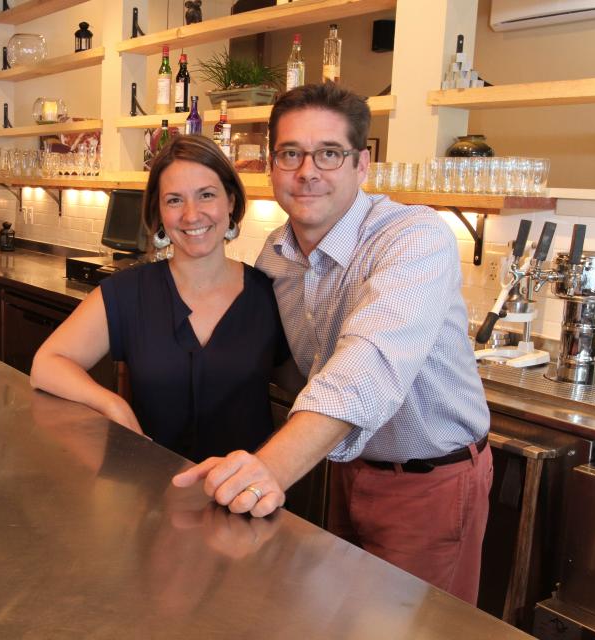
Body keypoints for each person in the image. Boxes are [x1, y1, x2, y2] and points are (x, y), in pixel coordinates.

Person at [172, 83, 493, 605]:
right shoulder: (275, 256)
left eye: (329, 153)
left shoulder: (414, 237)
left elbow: (367, 365)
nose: (307, 171)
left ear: (361, 165)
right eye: (290, 153)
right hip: (343, 469)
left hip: (429, 485)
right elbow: (284, 365)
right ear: (271, 164)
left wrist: (269, 467)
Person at [30, 135, 289, 463]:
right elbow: (47, 364)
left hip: (247, 498)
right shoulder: (127, 292)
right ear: (159, 212)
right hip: (152, 491)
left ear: (232, 202)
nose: (192, 215)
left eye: (206, 195)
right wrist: (112, 404)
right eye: (174, 200)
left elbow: (304, 382)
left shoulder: (270, 294)